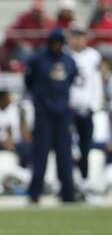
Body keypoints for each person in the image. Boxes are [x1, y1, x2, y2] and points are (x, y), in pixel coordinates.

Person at [25, 28, 77, 203]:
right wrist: (42, 102)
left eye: (59, 42)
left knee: (65, 155)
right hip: (44, 114)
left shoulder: (69, 61)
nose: (56, 45)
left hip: (63, 114)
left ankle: (68, 192)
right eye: (54, 42)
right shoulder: (38, 60)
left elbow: (70, 81)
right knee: (40, 154)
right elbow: (29, 83)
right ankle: (35, 193)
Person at [68, 26, 103, 187]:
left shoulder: (93, 56)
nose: (78, 40)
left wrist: (94, 104)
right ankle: (69, 180)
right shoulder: (65, 55)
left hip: (86, 108)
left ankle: (84, 180)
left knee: (85, 147)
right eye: (75, 36)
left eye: (80, 36)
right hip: (69, 108)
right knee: (68, 146)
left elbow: (96, 82)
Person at [0, 91, 32, 194]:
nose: (10, 100)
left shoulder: (15, 109)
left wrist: (13, 141)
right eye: (7, 98)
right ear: (1, 99)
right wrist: (3, 141)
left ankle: (26, 174)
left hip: (15, 142)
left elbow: (20, 128)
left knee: (27, 147)